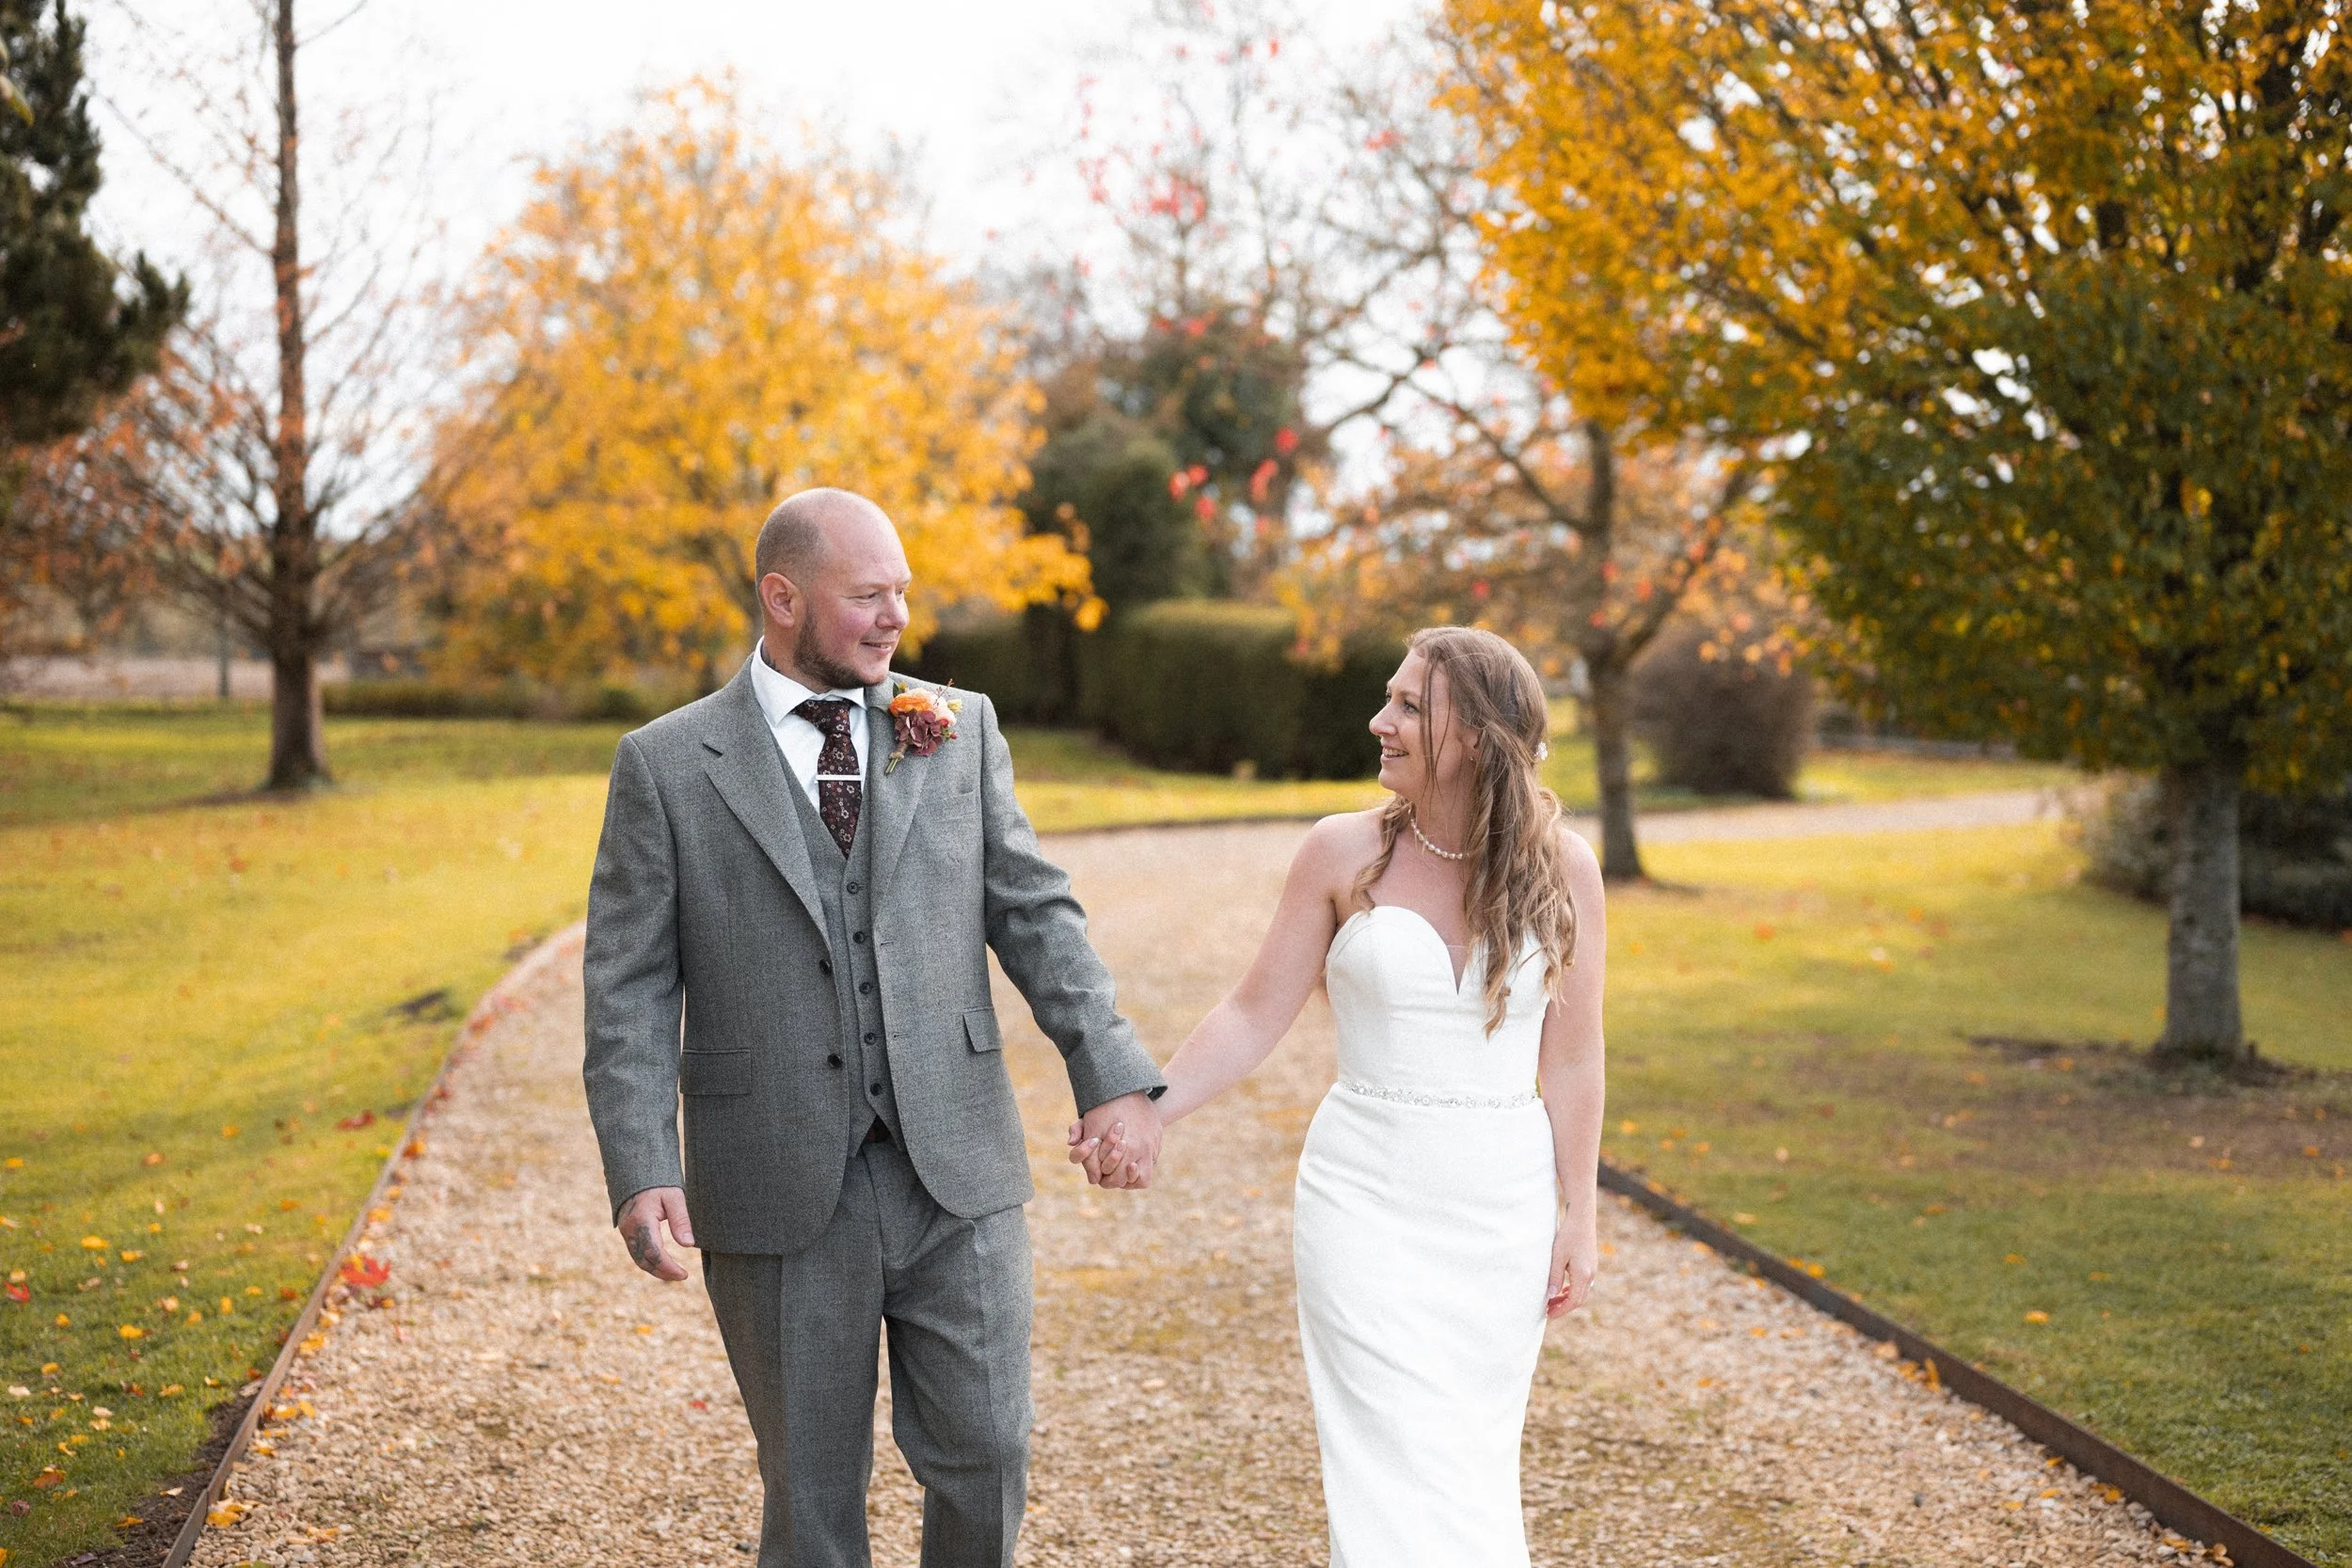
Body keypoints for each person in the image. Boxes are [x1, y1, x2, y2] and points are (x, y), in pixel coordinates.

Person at [580, 487, 1165, 1568]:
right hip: (776, 1178)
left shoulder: (956, 726)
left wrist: (1110, 1070)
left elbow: (1034, 911)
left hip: (959, 1167)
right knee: (809, 1490)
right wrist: (639, 1162)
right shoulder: (665, 764)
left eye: (902, 590)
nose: (896, 616)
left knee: (989, 1450)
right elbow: (626, 985)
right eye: (867, 595)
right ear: (782, 596)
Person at [1080, 626, 1606, 1567]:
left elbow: (1571, 1058)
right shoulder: (1338, 851)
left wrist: (1580, 1214)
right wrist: (1148, 1105)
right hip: (1364, 1197)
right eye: (1390, 698)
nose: (1381, 720)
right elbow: (1250, 1012)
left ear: (1477, 735)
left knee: (1469, 1458)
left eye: (1409, 704)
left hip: (1502, 1210)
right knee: (1386, 1452)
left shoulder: (1564, 869)